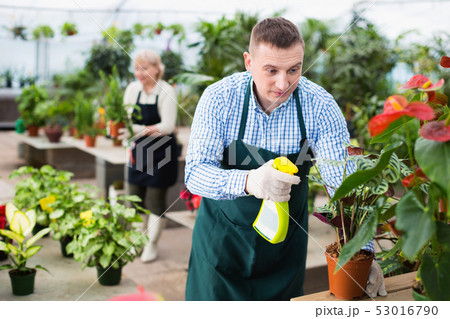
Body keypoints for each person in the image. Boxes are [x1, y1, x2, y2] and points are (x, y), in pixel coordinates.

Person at [184, 17, 386, 300]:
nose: (284, 83)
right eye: (271, 70)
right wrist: (250, 180)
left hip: (284, 254)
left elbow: (344, 188)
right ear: (248, 61)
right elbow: (195, 173)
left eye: (294, 69)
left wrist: (362, 253)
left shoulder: (320, 107)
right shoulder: (220, 99)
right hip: (221, 247)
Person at [119, 49, 178, 263]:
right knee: (133, 200)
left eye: (144, 68)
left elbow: (168, 126)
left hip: (161, 153)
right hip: (138, 152)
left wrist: (140, 129)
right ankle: (137, 242)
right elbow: (126, 119)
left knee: (155, 202)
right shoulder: (133, 90)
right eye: (136, 68)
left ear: (156, 68)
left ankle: (151, 245)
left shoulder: (166, 90)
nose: (139, 73)